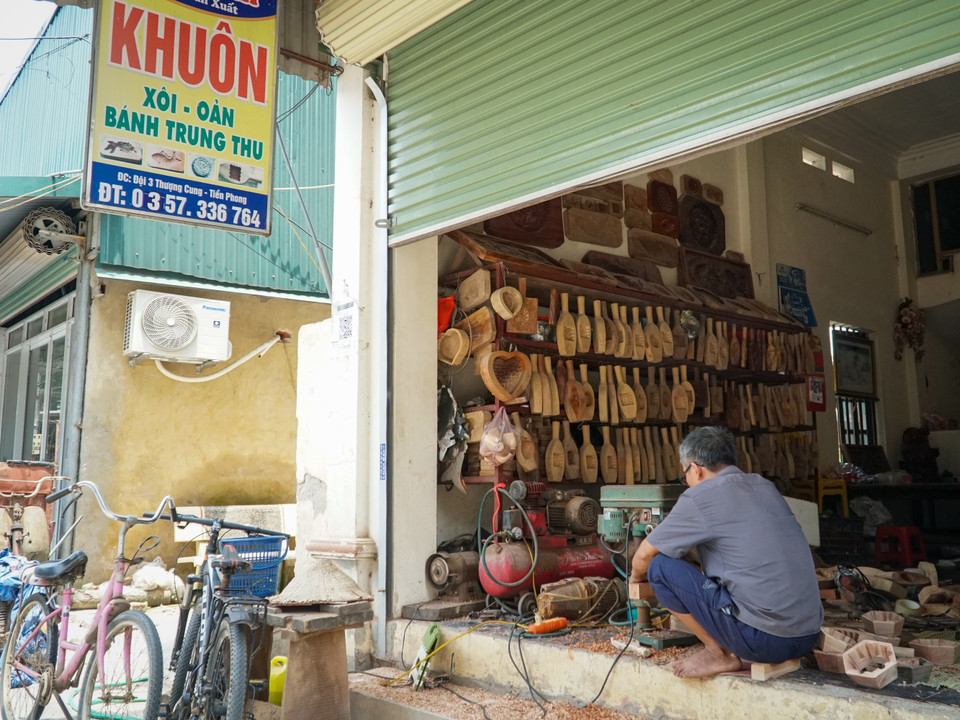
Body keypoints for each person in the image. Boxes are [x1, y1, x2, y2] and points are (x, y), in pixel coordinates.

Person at [630, 426, 822, 678]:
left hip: (764, 641)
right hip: (807, 635)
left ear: (695, 468)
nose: (686, 481)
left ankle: (716, 652)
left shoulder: (699, 496)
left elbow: (644, 555)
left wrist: (634, 579)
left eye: (684, 474)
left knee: (660, 568)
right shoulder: (765, 486)